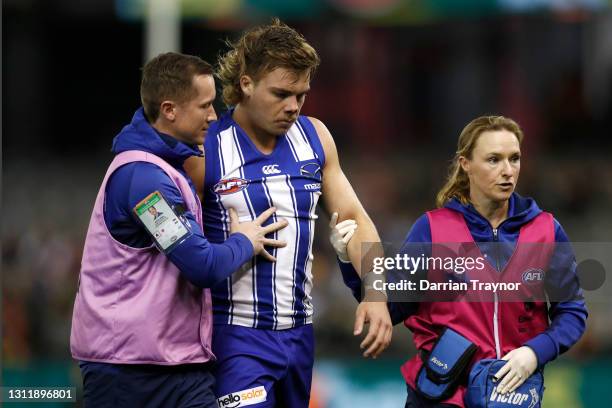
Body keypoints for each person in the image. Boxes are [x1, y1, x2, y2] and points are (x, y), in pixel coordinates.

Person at [184, 19, 392, 408]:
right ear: (245, 84)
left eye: (301, 94)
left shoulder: (315, 138)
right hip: (235, 338)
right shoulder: (206, 148)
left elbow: (354, 218)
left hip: (300, 337)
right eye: (281, 93)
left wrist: (376, 293)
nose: (293, 106)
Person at [70, 52, 288, 407]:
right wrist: (244, 240)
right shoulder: (142, 180)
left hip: (180, 366)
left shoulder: (167, 170)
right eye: (204, 105)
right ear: (169, 110)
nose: (213, 115)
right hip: (126, 373)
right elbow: (202, 266)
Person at [340, 115, 587, 407]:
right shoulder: (432, 229)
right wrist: (348, 259)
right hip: (439, 396)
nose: (508, 170)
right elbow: (389, 307)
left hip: (511, 395)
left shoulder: (546, 230)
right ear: (465, 163)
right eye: (494, 160)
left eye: (514, 158)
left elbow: (572, 312)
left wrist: (534, 353)